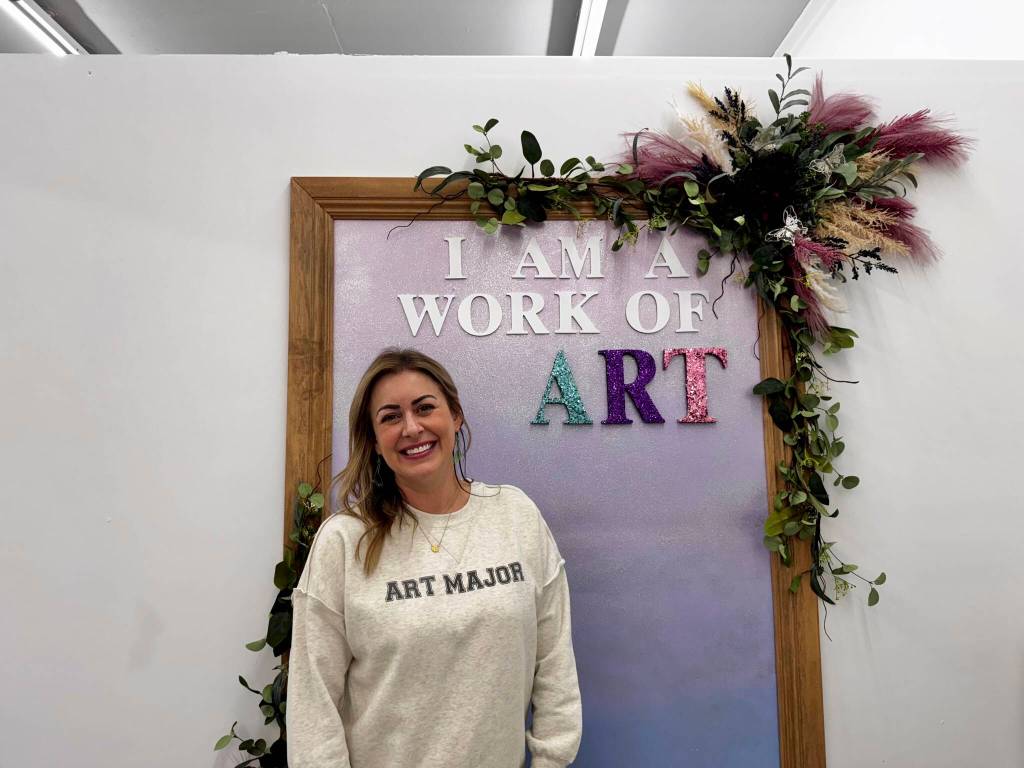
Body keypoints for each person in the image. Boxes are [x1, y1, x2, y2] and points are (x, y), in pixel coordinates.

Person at [287, 348, 582, 768]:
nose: (411, 427)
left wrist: (551, 760)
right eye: (390, 417)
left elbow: (554, 664)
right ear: (373, 439)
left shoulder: (516, 516)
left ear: (455, 415)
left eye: (425, 408)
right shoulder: (344, 540)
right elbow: (313, 702)